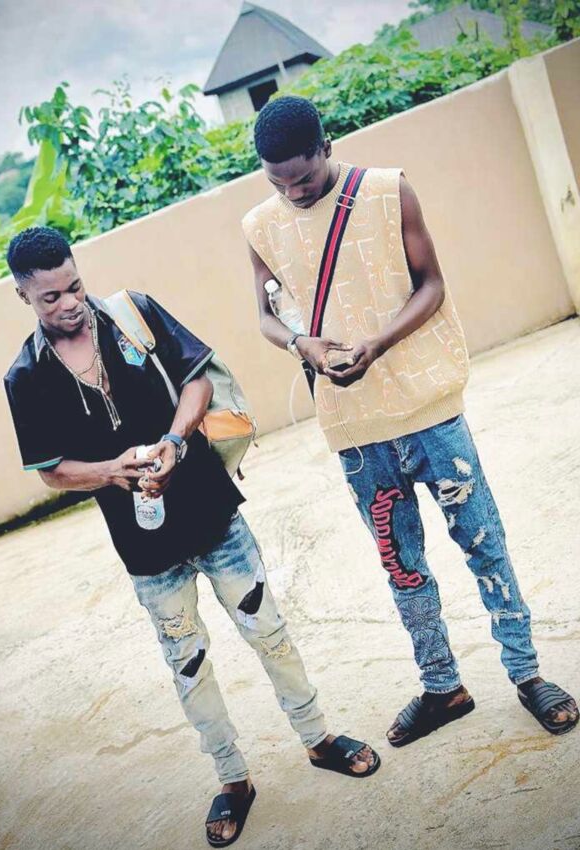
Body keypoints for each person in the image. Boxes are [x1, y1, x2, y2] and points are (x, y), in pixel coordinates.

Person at [3, 226, 380, 848]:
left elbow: (199, 380)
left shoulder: (132, 314)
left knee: (269, 631)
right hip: (146, 547)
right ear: (23, 296)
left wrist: (175, 442)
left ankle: (318, 738)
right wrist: (111, 471)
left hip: (212, 512)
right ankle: (232, 779)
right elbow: (51, 470)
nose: (69, 303)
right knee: (188, 662)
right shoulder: (25, 377)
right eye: (50, 297)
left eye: (74, 286)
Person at [242, 96, 578, 747]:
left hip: (430, 410)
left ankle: (528, 673)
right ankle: (442, 686)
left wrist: (376, 344)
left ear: (326, 147)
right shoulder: (260, 225)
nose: (292, 193)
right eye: (277, 182)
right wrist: (302, 346)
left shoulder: (387, 190)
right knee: (402, 565)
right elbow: (265, 315)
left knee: (484, 544)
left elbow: (432, 285)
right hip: (355, 428)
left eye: (302, 179)